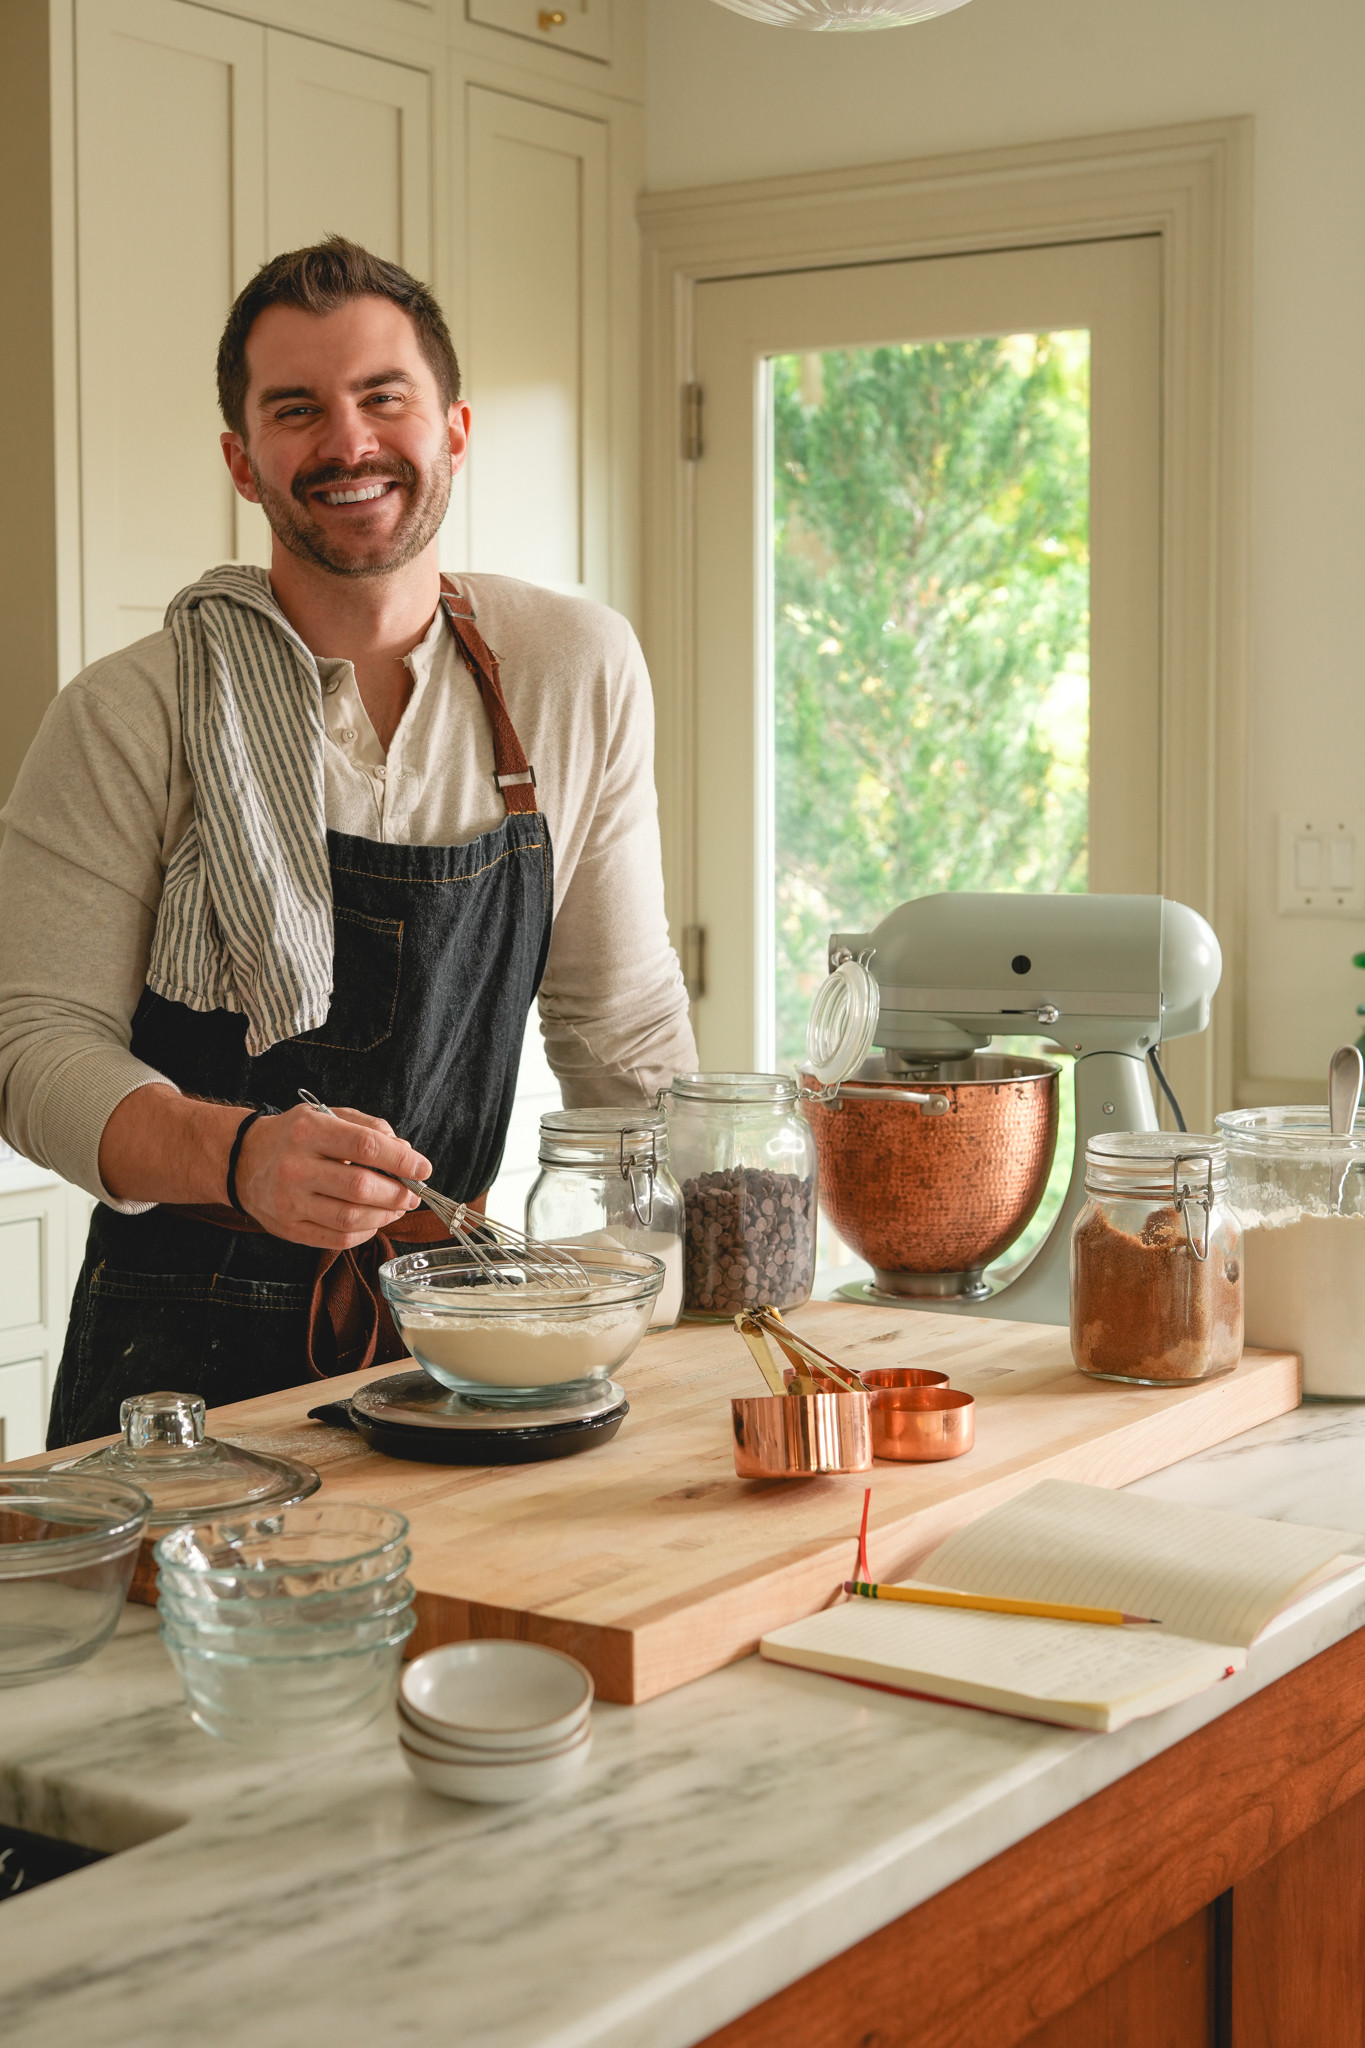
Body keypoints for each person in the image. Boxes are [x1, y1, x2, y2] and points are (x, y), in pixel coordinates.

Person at [0, 236, 696, 1446]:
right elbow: (26, 1044)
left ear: (455, 428)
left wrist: (682, 1300)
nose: (349, 441)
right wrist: (241, 1155)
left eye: (384, 397)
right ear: (243, 458)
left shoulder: (572, 668)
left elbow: (620, 1030)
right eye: (297, 409)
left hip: (470, 1331)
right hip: (175, 1349)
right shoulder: (131, 709)